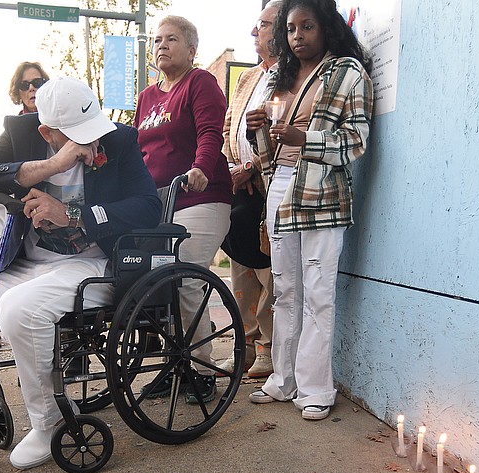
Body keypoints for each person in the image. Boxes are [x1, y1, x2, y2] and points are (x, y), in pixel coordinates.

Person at [0, 77, 160, 473]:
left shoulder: (119, 140)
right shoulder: (21, 131)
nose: (91, 142)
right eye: (76, 137)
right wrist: (49, 167)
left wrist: (75, 215)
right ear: (46, 132)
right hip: (23, 265)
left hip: (92, 264)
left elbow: (148, 207)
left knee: (20, 308)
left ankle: (48, 424)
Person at [245, 0, 374, 420]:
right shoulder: (280, 76)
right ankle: (283, 380)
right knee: (285, 290)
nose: (297, 36)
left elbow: (355, 140)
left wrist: (305, 139)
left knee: (318, 292)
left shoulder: (347, 72)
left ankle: (316, 388)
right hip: (280, 185)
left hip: (323, 189)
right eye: (291, 29)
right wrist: (259, 132)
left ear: (327, 28)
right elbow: (269, 155)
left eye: (307, 27)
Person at [133, 15, 233, 404]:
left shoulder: (199, 82)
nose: (161, 45)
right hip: (156, 202)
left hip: (199, 197)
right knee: (156, 285)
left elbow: (211, 131)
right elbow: (140, 151)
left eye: (171, 39)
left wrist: (202, 168)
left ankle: (201, 368)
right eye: (157, 40)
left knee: (187, 278)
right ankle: (174, 363)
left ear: (191, 49)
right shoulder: (147, 96)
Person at [217, 1, 281, 380]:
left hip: (268, 185)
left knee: (267, 272)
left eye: (263, 24)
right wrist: (230, 166)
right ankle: (244, 345)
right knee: (240, 269)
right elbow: (229, 127)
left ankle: (268, 351)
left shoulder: (291, 76)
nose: (254, 32)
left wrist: (251, 167)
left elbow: (281, 130)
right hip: (239, 186)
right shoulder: (247, 78)